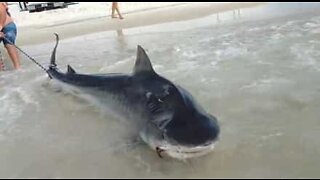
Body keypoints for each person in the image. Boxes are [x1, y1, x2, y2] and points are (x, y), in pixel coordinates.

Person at [0, 2, 20, 70]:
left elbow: (2, 11)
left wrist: (0, 27)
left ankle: (18, 69)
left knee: (9, 43)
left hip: (7, 25)